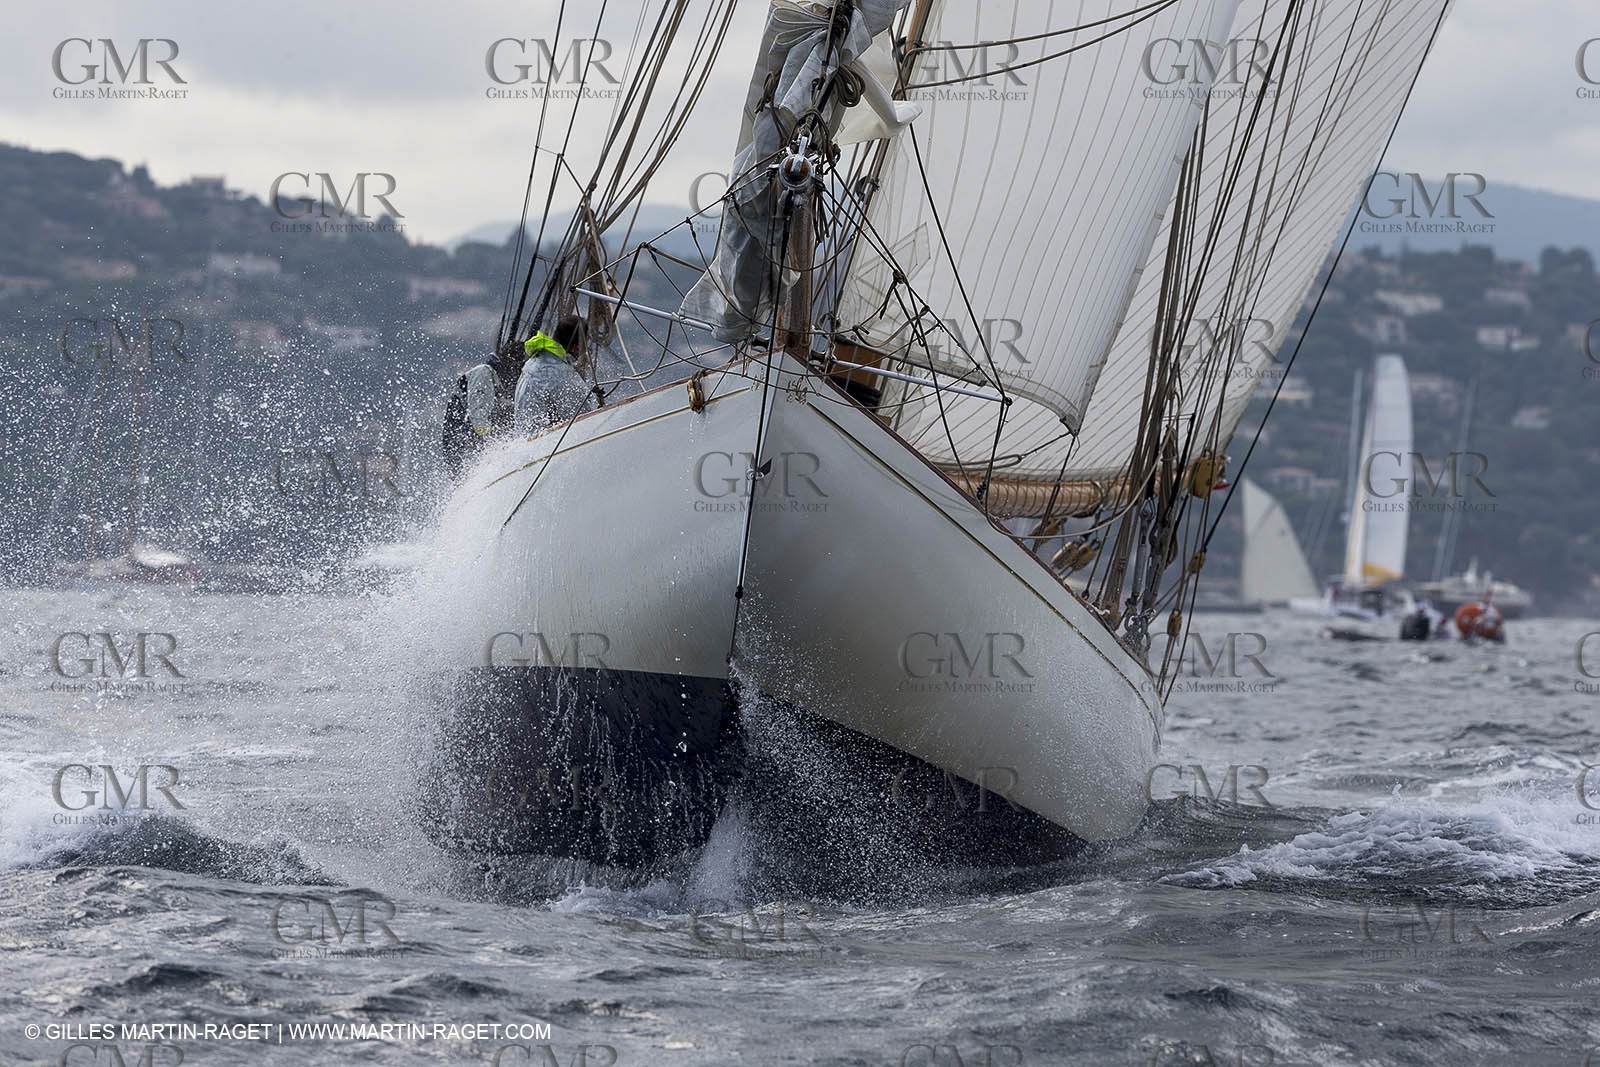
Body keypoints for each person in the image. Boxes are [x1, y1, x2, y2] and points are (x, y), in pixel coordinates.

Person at [514, 316, 593, 432]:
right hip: (546, 444)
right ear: (577, 346)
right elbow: (585, 420)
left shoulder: (534, 361)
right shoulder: (563, 374)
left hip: (524, 437)